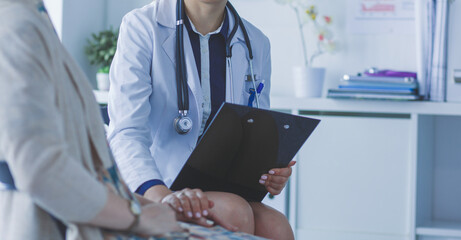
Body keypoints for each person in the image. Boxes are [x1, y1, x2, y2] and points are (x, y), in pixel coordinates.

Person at [108, 0, 295, 239]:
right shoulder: (142, 26)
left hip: (219, 185)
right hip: (155, 183)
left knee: (275, 225)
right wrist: (161, 195)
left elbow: (255, 127)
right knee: (233, 211)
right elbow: (126, 132)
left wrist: (267, 172)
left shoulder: (255, 42)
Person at [0, 0, 183, 239]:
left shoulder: (33, 20)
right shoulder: (16, 27)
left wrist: (144, 205)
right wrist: (135, 216)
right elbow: (40, 170)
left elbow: (84, 166)